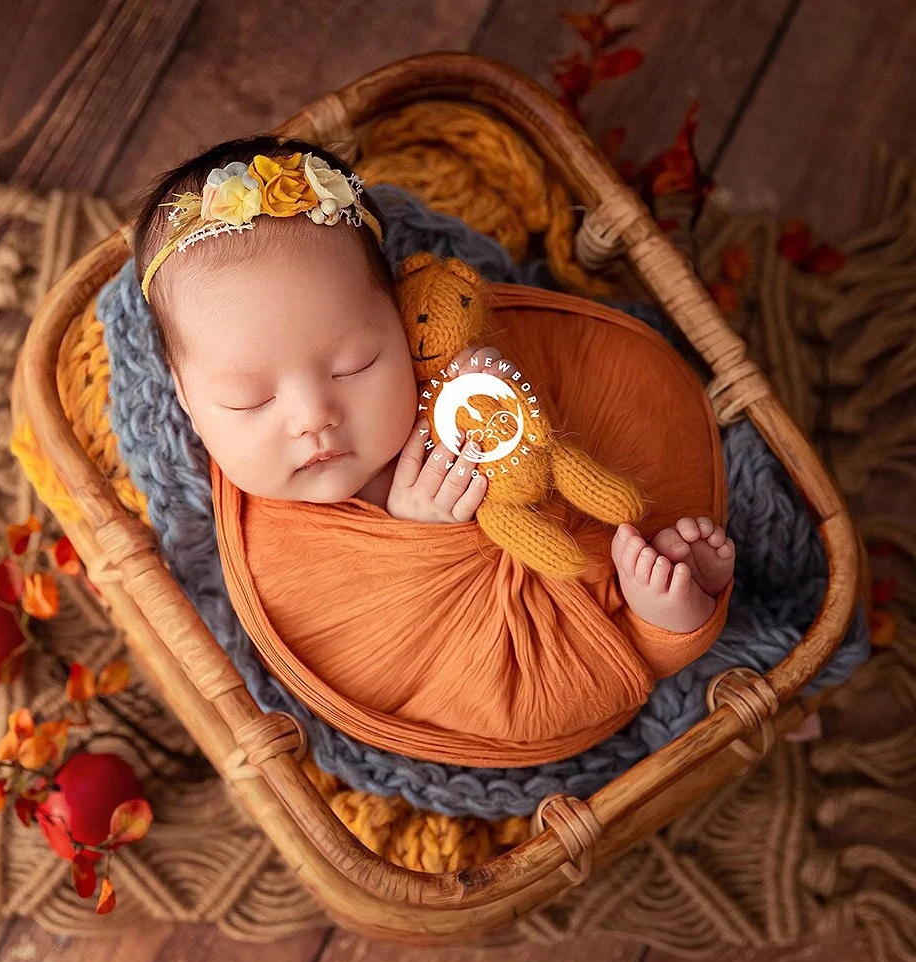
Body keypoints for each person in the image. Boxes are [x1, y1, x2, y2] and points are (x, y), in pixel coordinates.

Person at [130, 135, 735, 766]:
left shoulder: (431, 363)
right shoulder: (272, 550)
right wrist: (424, 533)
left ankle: (670, 619)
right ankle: (668, 623)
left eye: (356, 364)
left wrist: (492, 385)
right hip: (490, 676)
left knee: (635, 535)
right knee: (565, 678)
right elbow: (371, 655)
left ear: (397, 314)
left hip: (586, 541)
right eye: (248, 400)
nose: (314, 418)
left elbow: (527, 403)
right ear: (187, 399)